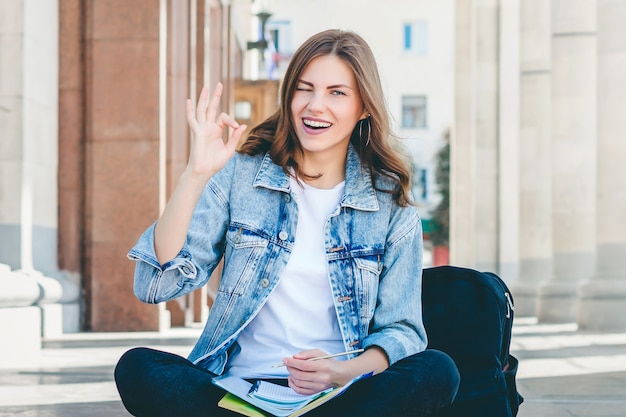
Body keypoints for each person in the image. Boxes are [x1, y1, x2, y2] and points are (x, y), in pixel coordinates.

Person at [114, 29, 460, 416]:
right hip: (238, 394)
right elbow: (155, 285)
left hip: (338, 397)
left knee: (437, 371)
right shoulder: (241, 177)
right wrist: (195, 176)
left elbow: (403, 332)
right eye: (304, 88)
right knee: (138, 366)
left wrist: (340, 372)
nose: (315, 106)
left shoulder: (391, 207)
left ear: (364, 107)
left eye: (337, 92)